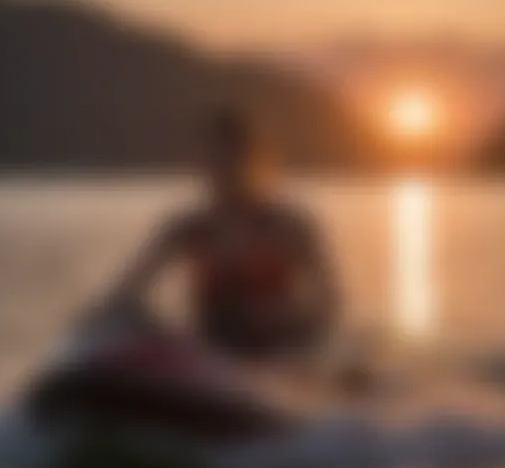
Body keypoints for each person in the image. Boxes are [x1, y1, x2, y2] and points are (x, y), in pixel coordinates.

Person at [111, 107, 340, 359]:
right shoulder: (188, 228)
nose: (223, 172)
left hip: (278, 354)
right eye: (214, 161)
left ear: (254, 162)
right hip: (211, 355)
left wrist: (283, 317)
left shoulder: (290, 226)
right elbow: (126, 293)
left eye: (231, 160)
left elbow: (328, 301)